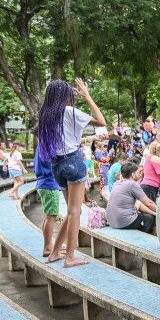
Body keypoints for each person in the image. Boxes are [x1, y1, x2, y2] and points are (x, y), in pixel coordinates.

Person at [39, 79, 106, 268]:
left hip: (57, 166)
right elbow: (101, 121)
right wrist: (87, 96)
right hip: (72, 162)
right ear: (65, 95)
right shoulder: (69, 111)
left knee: (71, 211)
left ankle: (54, 253)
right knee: (75, 211)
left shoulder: (45, 115)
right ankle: (70, 257)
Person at [107, 162, 157, 233]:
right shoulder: (132, 184)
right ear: (133, 174)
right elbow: (149, 203)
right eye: (138, 172)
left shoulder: (116, 183)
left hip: (112, 221)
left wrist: (155, 213)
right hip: (123, 222)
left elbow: (139, 204)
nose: (140, 174)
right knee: (149, 218)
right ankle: (142, 237)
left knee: (139, 206)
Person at [34, 143, 61, 258]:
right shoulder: (49, 147)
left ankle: (48, 244)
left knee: (48, 217)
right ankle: (48, 247)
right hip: (49, 184)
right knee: (51, 217)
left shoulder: (40, 146)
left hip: (42, 183)